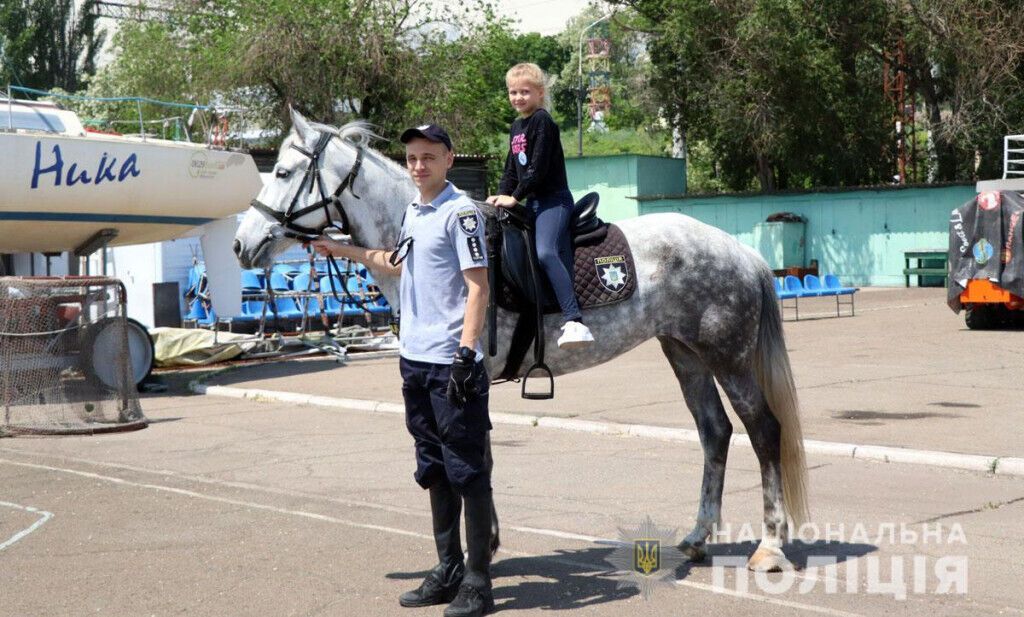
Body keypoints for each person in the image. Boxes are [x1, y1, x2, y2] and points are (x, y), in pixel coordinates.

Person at [309, 124, 495, 617]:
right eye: (412, 158)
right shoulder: (414, 210)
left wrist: (466, 353)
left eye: (428, 157)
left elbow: (479, 287)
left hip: (450, 363)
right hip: (414, 360)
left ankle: (478, 582)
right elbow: (395, 262)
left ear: (449, 159)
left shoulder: (462, 214)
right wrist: (341, 249)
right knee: (433, 469)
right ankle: (448, 567)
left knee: (468, 470)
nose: (418, 166)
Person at [486, 62, 594, 349]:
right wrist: (499, 196)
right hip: (533, 201)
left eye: (525, 91)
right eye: (513, 92)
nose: (518, 97)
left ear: (539, 92)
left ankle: (574, 318)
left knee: (545, 252)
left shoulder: (542, 121)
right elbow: (512, 168)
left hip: (553, 201)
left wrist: (516, 196)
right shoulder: (516, 127)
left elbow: (538, 168)